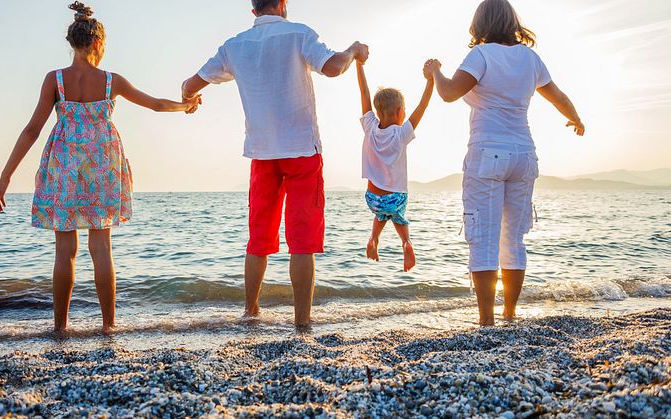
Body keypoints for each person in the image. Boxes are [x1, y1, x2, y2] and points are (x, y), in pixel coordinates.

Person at [0, 2, 201, 334]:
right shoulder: (110, 80)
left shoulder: (54, 80)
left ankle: (60, 328)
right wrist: (185, 106)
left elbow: (32, 129)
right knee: (101, 248)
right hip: (103, 164)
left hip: (63, 164)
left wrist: (5, 176)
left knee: (65, 250)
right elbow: (156, 105)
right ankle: (108, 326)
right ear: (96, 44)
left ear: (74, 43)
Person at [181, 0, 369, 327]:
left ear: (253, 11)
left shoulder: (234, 46)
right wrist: (354, 49)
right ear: (283, 4)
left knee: (259, 238)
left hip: (262, 153)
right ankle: (302, 321)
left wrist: (192, 99)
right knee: (302, 239)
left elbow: (188, 86)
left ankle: (250, 311)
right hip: (301, 151)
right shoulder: (299, 34)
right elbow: (334, 67)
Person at [425, 0, 585, 325]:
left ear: (480, 23)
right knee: (513, 237)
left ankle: (487, 320)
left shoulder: (481, 55)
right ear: (512, 21)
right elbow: (559, 97)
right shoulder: (530, 58)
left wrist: (434, 71)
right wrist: (576, 119)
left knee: (483, 236)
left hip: (488, 154)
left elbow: (449, 93)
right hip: (524, 154)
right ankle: (510, 312)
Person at [356, 60, 434, 272]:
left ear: (377, 112)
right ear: (400, 111)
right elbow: (423, 106)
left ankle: (374, 238)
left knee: (381, 213)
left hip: (372, 198)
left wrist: (359, 64)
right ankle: (406, 243)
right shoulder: (401, 134)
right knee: (398, 215)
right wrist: (431, 80)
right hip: (395, 197)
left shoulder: (370, 127)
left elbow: (364, 92)